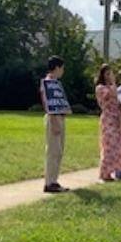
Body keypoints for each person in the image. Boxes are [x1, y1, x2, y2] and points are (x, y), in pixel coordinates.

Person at [40, 55, 70, 193]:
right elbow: (48, 103)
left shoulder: (57, 83)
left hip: (60, 117)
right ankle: (49, 182)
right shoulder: (47, 83)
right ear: (57, 67)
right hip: (54, 118)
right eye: (62, 68)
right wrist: (54, 121)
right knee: (53, 151)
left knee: (59, 151)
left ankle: (54, 180)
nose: (63, 71)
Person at [95, 65, 121, 181]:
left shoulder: (113, 87)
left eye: (111, 74)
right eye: (107, 74)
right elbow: (109, 95)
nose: (110, 76)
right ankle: (104, 173)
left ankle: (113, 171)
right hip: (108, 119)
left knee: (117, 146)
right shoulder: (100, 88)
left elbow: (118, 102)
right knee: (108, 145)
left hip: (116, 118)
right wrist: (113, 84)